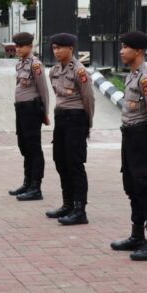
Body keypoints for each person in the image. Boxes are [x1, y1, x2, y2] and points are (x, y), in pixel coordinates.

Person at [109, 32, 147, 261]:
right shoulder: (131, 75)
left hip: (141, 136)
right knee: (131, 186)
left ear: (139, 51)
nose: (121, 51)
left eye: (126, 47)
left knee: (145, 187)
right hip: (129, 136)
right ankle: (137, 234)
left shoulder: (145, 78)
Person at [44, 33, 95, 225]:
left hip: (76, 119)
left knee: (75, 164)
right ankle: (67, 204)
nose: (56, 52)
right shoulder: (54, 70)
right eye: (54, 48)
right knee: (60, 161)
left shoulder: (80, 71)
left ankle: (80, 210)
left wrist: (87, 124)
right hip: (61, 118)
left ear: (70, 48)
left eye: (60, 48)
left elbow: (88, 99)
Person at [8, 32, 50, 201]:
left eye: (20, 46)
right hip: (21, 109)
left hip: (32, 110)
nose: (17, 49)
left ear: (30, 46)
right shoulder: (20, 64)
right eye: (16, 46)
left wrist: (45, 113)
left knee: (33, 147)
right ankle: (27, 182)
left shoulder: (36, 65)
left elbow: (43, 90)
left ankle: (36, 187)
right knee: (23, 145)